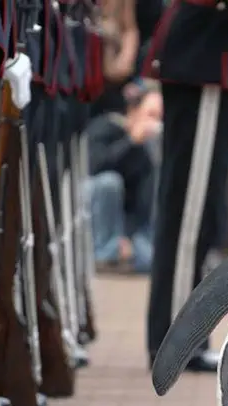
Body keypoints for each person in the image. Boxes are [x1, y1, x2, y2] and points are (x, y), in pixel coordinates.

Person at [142, 0, 228, 372]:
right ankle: (176, 338)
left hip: (215, 60)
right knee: (188, 214)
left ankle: (181, 334)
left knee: (198, 213)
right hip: (209, 61)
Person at [84, 88, 163, 274]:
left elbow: (142, 202)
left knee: (151, 260)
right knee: (109, 182)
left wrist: (127, 235)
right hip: (93, 216)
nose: (155, 123)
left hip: (125, 226)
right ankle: (105, 254)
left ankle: (121, 253)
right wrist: (130, 141)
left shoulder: (148, 150)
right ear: (134, 111)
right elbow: (94, 167)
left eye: (159, 117)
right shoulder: (106, 127)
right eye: (150, 115)